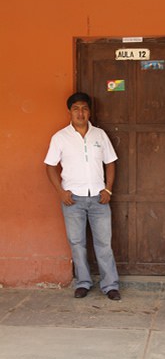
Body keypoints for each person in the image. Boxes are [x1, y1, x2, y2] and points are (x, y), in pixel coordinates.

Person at [44, 92, 120, 300]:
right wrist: (61, 192)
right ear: (70, 111)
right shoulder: (60, 137)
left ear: (89, 112)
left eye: (84, 108)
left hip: (98, 197)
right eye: (76, 108)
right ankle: (83, 283)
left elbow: (110, 162)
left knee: (103, 243)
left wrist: (108, 189)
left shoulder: (100, 135)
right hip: (73, 199)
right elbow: (50, 166)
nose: (80, 112)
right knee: (77, 242)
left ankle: (110, 285)